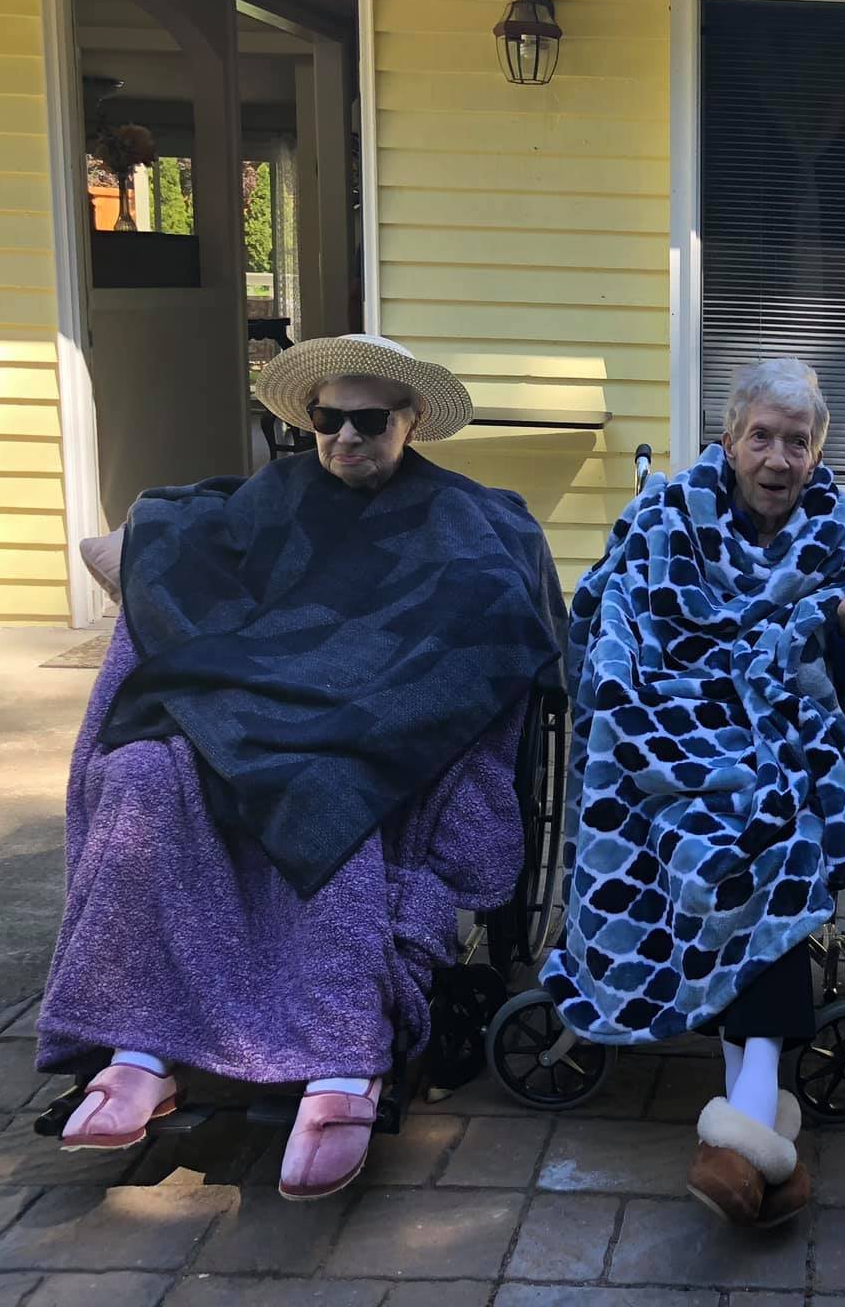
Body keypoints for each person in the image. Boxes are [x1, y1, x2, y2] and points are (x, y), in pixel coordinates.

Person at [39, 333, 566, 1201]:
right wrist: (140, 551)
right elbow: (174, 547)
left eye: (368, 421)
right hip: (254, 710)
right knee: (145, 776)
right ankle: (138, 1049)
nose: (346, 438)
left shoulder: (470, 517)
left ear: (413, 420)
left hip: (373, 730)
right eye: (327, 420)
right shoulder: (273, 496)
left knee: (329, 796)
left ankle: (339, 1061)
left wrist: (354, 709)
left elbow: (491, 631)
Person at [540, 358, 845, 1229]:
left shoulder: (841, 536)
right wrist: (652, 709)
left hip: (781, 729)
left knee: (773, 827)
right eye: (763, 437)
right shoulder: (669, 518)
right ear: (729, 441)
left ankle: (746, 1127)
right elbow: (617, 626)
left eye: (799, 442)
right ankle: (759, 1124)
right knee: (720, 831)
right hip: (667, 732)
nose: (780, 459)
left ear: (818, 455)